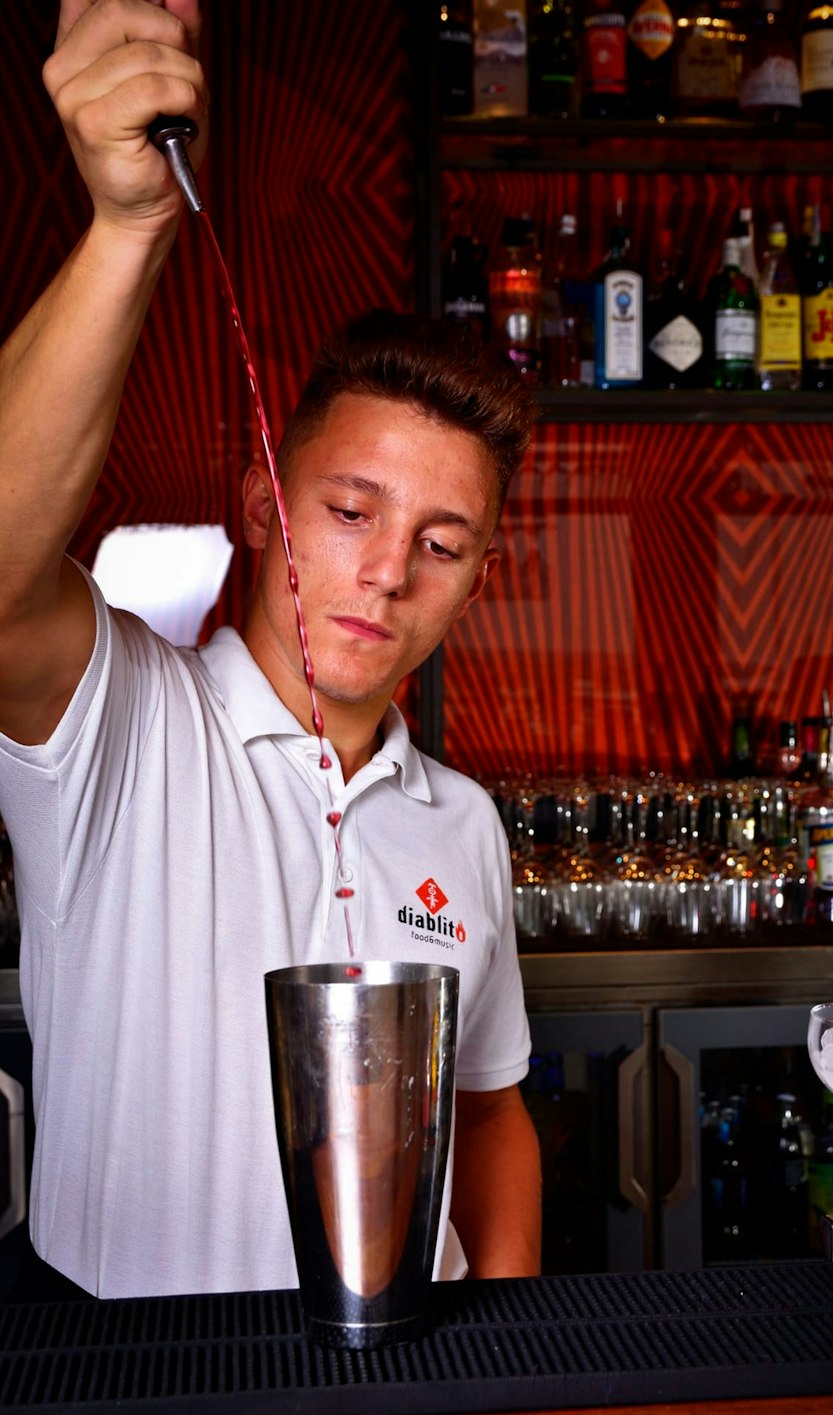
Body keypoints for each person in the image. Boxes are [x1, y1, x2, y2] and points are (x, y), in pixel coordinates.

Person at [0, 0, 541, 1299]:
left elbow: (495, 1100)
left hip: (408, 1385)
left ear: (475, 581)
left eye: (442, 540)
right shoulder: (122, 722)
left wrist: (510, 1345)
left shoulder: (461, 822)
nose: (387, 569)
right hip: (139, 1397)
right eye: (351, 510)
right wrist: (133, 224)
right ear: (263, 504)